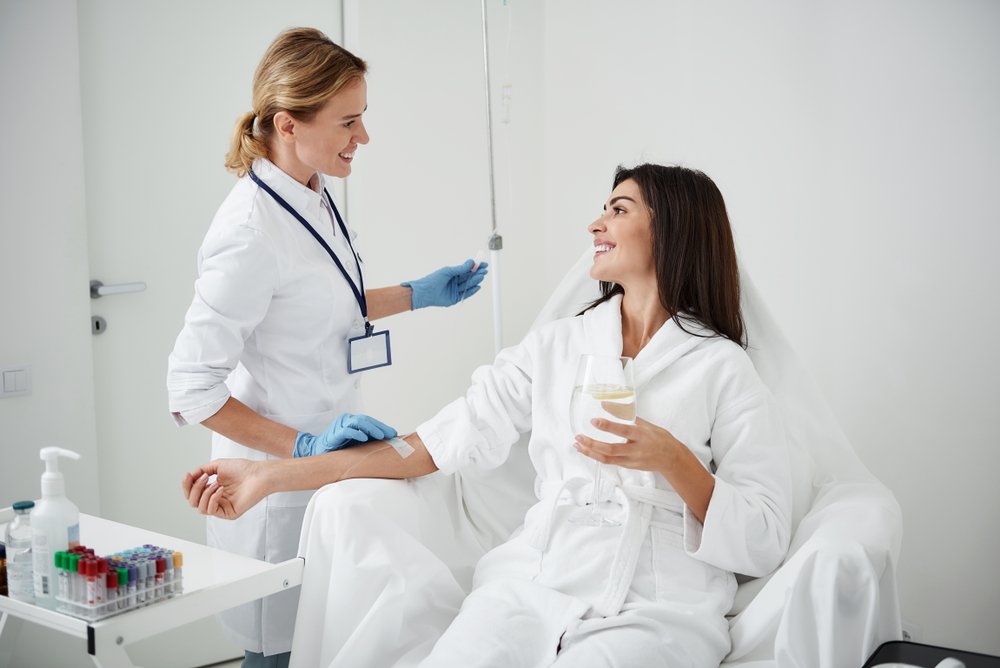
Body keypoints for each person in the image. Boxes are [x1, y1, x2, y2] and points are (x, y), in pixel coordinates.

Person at [183, 164, 793, 667]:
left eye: (619, 209)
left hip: (657, 605)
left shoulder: (723, 369)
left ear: (674, 231)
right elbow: (432, 445)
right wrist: (268, 478)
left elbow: (764, 537)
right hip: (535, 582)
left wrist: (675, 460)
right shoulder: (557, 346)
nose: (595, 224)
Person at [166, 27, 487, 668]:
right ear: (288, 124)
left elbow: (322, 302)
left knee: (326, 637)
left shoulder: (313, 191)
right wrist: (304, 448)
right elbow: (190, 387)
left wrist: (418, 294)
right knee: (280, 649)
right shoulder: (247, 232)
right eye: (348, 122)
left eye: (361, 118)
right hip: (272, 491)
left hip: (329, 470)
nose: (362, 137)